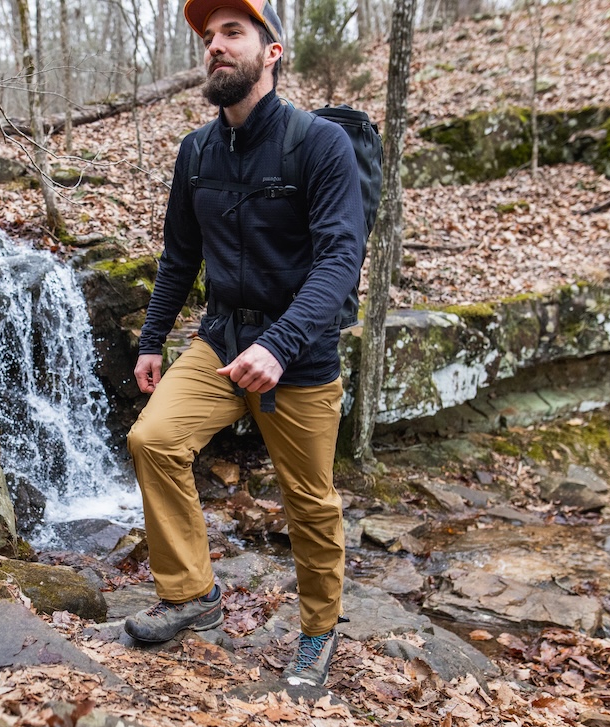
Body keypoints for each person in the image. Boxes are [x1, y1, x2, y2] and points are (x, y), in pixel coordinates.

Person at [124, 0, 366, 688]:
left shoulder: (320, 145)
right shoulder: (196, 152)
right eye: (209, 36)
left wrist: (281, 345)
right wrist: (152, 339)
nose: (216, 45)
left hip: (299, 354)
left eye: (233, 32)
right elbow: (179, 256)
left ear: (272, 51)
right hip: (222, 341)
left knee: (309, 501)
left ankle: (318, 633)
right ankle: (192, 596)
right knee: (153, 440)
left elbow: (340, 261)